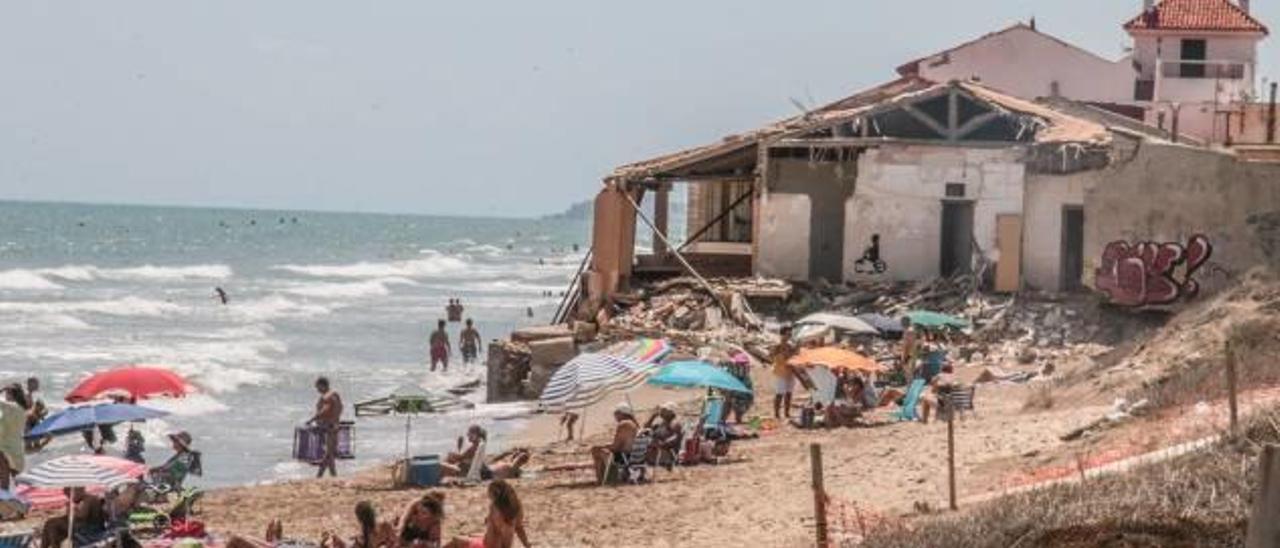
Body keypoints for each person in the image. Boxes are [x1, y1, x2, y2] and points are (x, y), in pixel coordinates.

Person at [447, 480, 529, 548]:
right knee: (470, 536)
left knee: (455, 541)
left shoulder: (495, 508)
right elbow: (519, 528)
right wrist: (527, 545)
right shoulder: (516, 507)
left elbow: (498, 535)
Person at [590, 403, 639, 484]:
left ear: (621, 413)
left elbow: (616, 447)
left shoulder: (624, 424)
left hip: (624, 458)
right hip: (633, 456)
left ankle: (602, 479)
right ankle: (605, 478)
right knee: (600, 449)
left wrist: (603, 446)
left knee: (595, 450)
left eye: (616, 413)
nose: (615, 416)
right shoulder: (634, 424)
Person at [308, 377, 343, 478]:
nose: (317, 390)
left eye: (318, 387)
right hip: (334, 425)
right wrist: (336, 420)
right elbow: (339, 408)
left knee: (329, 453)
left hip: (329, 426)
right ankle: (333, 475)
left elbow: (325, 410)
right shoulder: (335, 394)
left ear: (322, 385)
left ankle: (319, 476)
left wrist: (313, 419)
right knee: (330, 453)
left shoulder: (327, 396)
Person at [323, 501, 397, 548]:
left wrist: (340, 542)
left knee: (332, 541)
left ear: (359, 519)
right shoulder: (385, 525)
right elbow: (395, 540)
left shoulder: (363, 536)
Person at [644, 402, 684, 468]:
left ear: (670, 412)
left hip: (667, 453)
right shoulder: (661, 423)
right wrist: (653, 417)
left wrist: (663, 443)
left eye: (664, 410)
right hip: (655, 449)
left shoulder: (674, 423)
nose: (661, 411)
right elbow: (645, 428)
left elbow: (676, 437)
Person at [770, 326, 797, 419]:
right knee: (779, 393)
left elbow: (794, 356)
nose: (789, 335)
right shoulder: (777, 345)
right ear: (782, 334)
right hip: (780, 371)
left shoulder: (790, 345)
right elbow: (771, 356)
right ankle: (777, 414)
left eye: (790, 334)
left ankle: (786, 413)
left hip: (790, 371)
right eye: (788, 334)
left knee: (789, 393)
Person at [0, 386, 24, 490]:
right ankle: (25, 499)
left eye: (7, 394)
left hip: (5, 447)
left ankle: (4, 501)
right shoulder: (21, 409)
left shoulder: (11, 407)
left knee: (4, 480)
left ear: (11, 394)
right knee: (17, 480)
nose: (5, 396)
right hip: (17, 447)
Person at [726, 354, 754, 424]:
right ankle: (737, 418)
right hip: (738, 387)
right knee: (737, 403)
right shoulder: (736, 368)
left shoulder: (738, 368)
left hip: (741, 387)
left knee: (740, 403)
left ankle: (738, 417)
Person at [25, 377, 48, 451]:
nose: (38, 385)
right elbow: (26, 411)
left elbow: (34, 408)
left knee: (35, 445)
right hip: (27, 422)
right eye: (36, 384)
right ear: (30, 384)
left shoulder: (31, 395)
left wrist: (43, 412)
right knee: (30, 446)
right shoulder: (26, 395)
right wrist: (40, 414)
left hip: (32, 421)